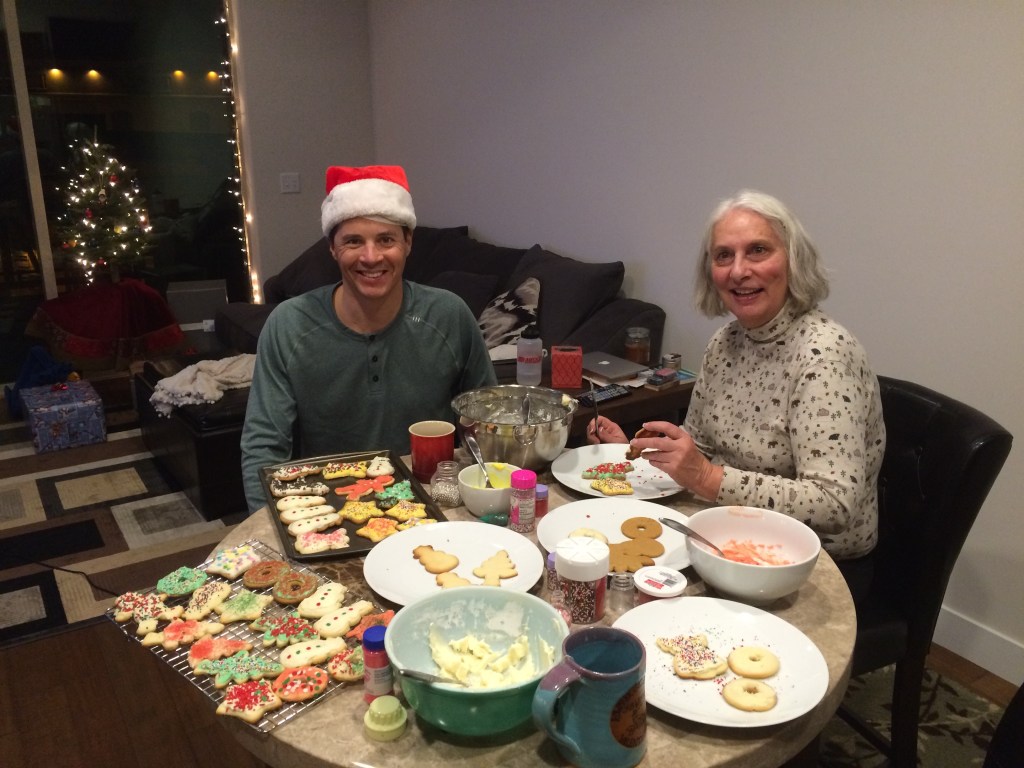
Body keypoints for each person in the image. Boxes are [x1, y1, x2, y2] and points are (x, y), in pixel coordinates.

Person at [589, 191, 885, 597]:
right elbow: (699, 450)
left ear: (793, 260)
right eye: (723, 256)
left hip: (810, 568)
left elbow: (834, 503)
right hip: (723, 534)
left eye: (758, 251)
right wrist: (642, 455)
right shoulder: (726, 342)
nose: (738, 271)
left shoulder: (823, 354)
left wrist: (708, 478)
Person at [241, 165, 496, 513]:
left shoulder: (449, 316)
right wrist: (267, 523)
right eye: (353, 241)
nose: (371, 257)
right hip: (325, 511)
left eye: (386, 239)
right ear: (332, 247)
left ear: (408, 242)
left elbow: (488, 421)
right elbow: (264, 445)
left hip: (432, 505)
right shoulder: (288, 326)